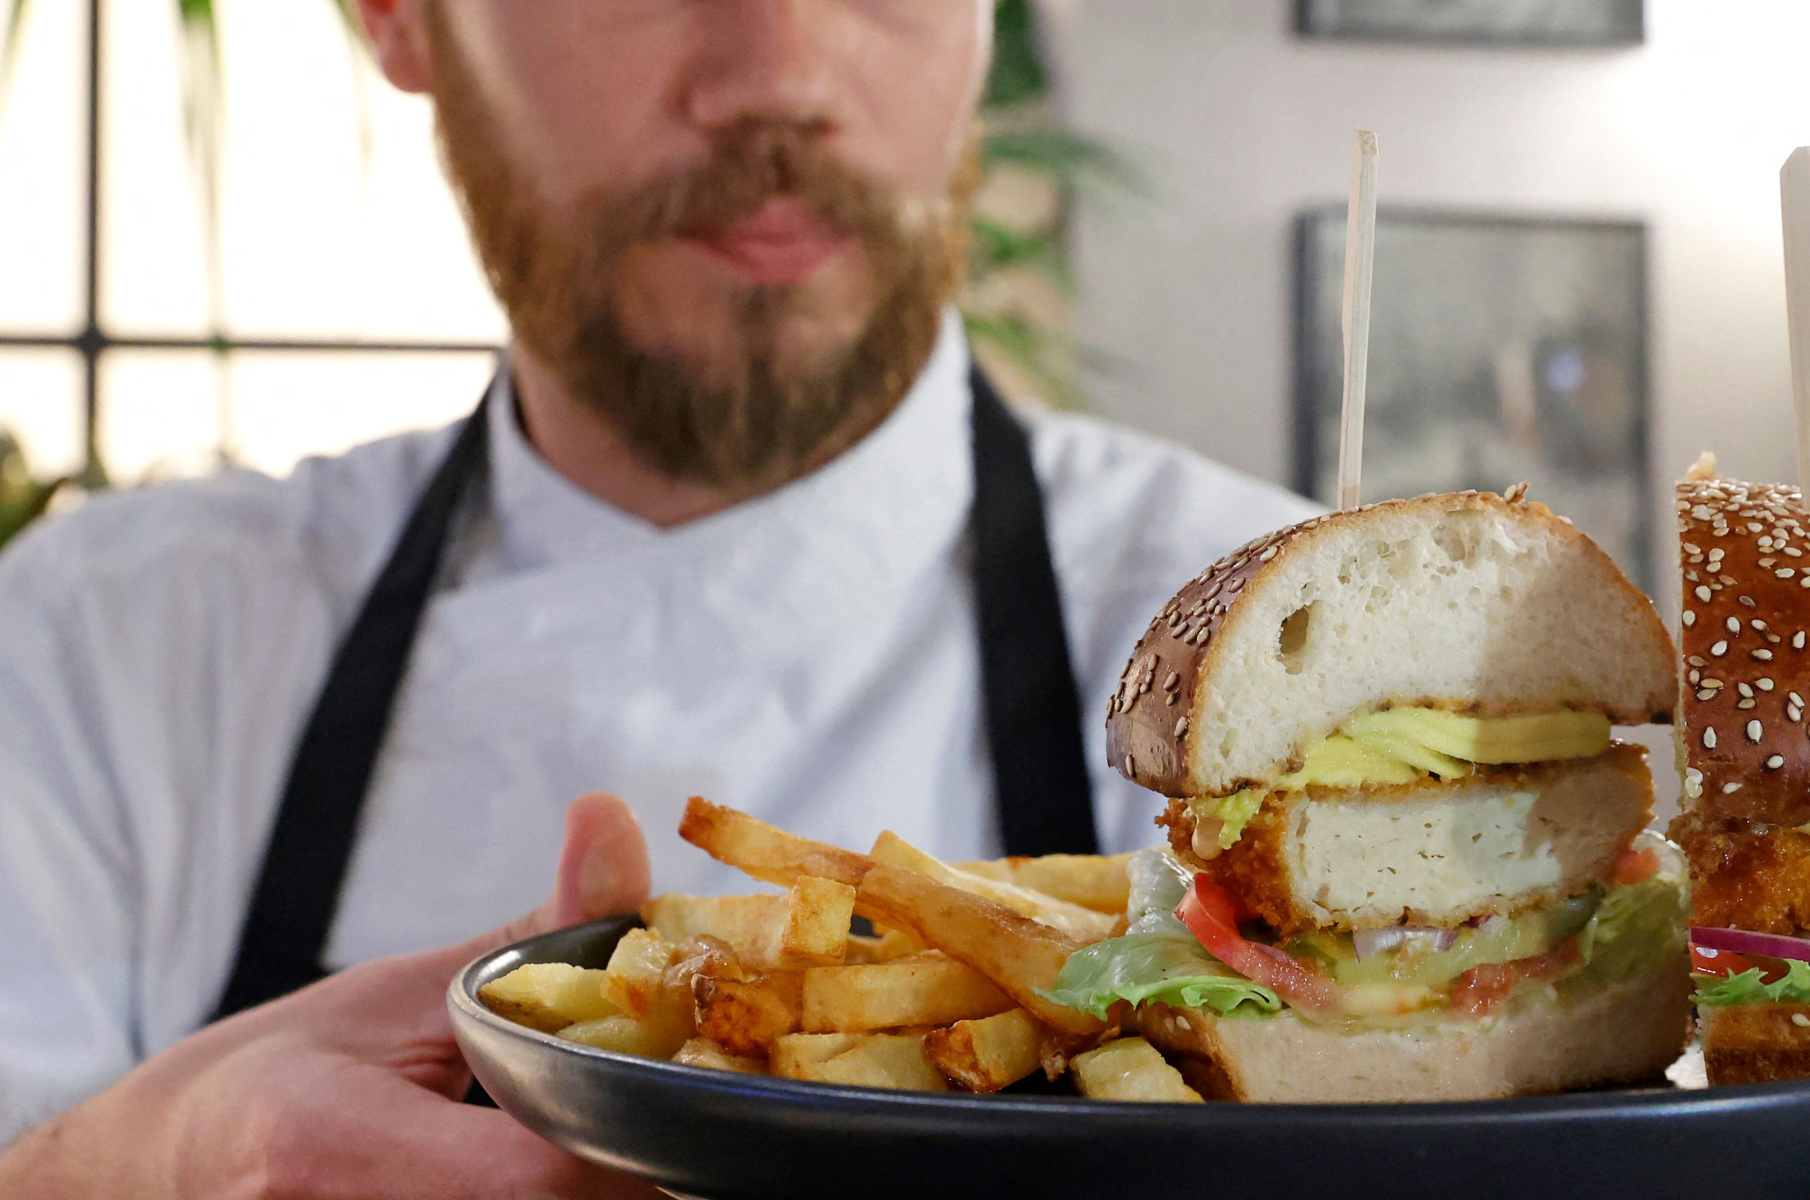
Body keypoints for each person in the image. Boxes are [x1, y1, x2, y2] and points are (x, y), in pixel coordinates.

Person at [0, 0, 1313, 1193]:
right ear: (398, 20)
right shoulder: (100, 638)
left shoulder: (1293, 644)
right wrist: (132, 1165)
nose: (779, 74)